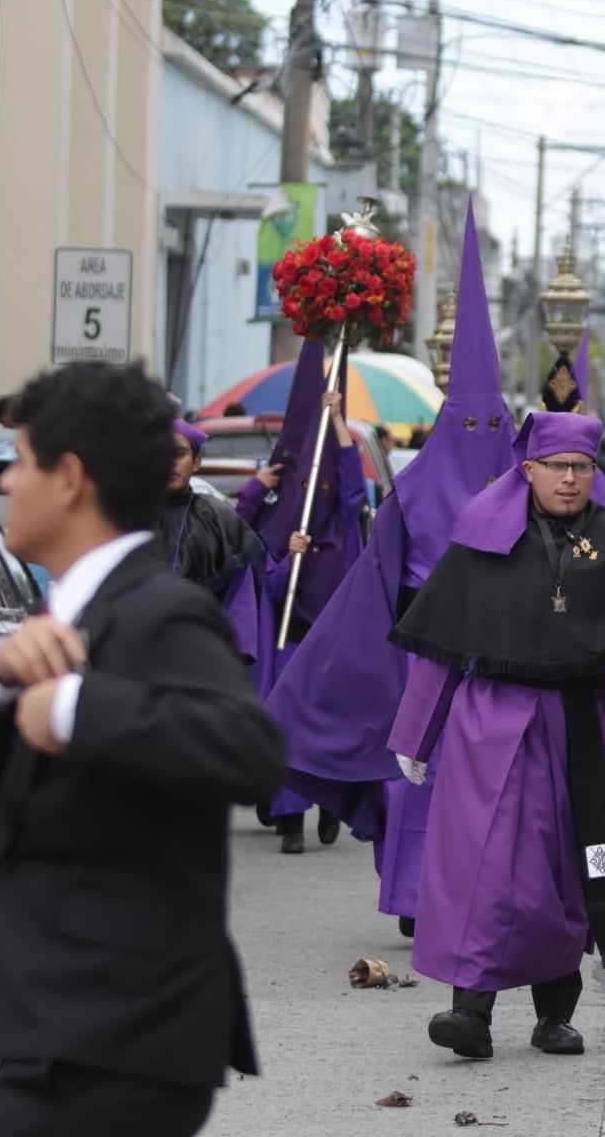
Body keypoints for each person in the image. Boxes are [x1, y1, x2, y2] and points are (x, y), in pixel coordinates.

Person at [0, 361, 283, 1137]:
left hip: (125, 1036)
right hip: (63, 1033)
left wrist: (75, 705)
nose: (6, 483)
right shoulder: (56, 617)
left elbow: (250, 748)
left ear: (69, 478)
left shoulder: (158, 611)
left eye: (22, 462)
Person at [388, 412, 605, 1060]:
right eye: (556, 466)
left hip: (573, 721)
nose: (568, 479)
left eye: (581, 468)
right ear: (527, 470)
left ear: (594, 473)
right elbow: (444, 640)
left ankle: (556, 1014)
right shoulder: (482, 537)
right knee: (485, 866)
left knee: (569, 865)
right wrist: (415, 733)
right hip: (488, 719)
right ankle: (469, 1010)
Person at [266, 206, 517, 934]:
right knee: (415, 784)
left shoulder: (523, 490)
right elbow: (375, 578)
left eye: (490, 427)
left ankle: (476, 899)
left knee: (488, 791)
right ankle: (412, 898)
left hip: (500, 663)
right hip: (423, 662)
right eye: (465, 425)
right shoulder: (411, 489)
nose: (478, 440)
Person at [230, 349, 364, 854]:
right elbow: (243, 552)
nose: (315, 490)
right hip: (288, 635)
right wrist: (256, 495)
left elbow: (351, 484)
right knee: (283, 722)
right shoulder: (276, 525)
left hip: (330, 640)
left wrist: (336, 422)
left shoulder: (346, 526)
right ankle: (289, 820)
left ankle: (330, 804)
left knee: (327, 725)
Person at [154, 419, 263, 599]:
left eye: (179, 454)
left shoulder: (218, 517)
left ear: (196, 463)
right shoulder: (128, 517)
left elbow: (244, 593)